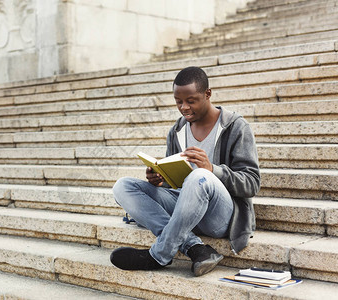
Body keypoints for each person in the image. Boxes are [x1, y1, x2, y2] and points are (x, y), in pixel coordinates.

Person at [110, 66, 260, 276]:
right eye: (178, 101)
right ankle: (195, 247)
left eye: (191, 100)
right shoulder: (177, 130)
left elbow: (252, 183)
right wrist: (160, 179)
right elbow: (178, 184)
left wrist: (212, 170)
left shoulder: (236, 127)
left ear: (208, 94)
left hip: (220, 216)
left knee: (199, 176)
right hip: (186, 209)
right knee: (123, 186)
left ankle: (159, 255)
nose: (184, 107)